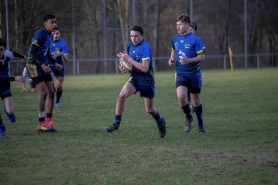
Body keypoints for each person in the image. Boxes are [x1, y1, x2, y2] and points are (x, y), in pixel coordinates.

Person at [105, 25, 166, 138]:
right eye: (132, 36)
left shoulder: (146, 47)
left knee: (149, 109)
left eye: (136, 36)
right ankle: (116, 122)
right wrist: (124, 67)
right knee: (122, 95)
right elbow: (130, 66)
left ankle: (160, 121)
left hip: (147, 81)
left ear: (142, 36)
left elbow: (144, 68)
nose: (133, 39)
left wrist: (129, 59)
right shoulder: (129, 46)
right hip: (135, 79)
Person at [168, 14, 206, 133]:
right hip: (181, 73)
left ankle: (200, 123)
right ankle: (188, 116)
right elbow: (173, 51)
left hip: (194, 74)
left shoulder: (196, 39)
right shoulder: (175, 39)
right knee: (181, 96)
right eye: (177, 25)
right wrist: (171, 59)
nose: (178, 27)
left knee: (195, 101)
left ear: (187, 25)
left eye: (180, 24)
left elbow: (202, 57)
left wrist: (189, 60)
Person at [26, 14, 62, 132]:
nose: (54, 24)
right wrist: (42, 65)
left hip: (44, 65)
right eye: (52, 22)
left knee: (52, 92)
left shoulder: (50, 35)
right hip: (33, 65)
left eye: (55, 22)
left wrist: (54, 63)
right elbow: (32, 53)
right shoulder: (39, 34)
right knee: (43, 93)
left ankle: (49, 122)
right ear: (45, 24)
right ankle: (40, 124)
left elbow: (46, 53)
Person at [0, 38, 26, 136]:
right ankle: (1, 127)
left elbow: (13, 54)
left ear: (4, 49)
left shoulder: (7, 54)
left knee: (11, 112)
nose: (0, 52)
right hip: (4, 82)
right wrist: (14, 78)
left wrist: (22, 56)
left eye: (1, 49)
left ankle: (7, 110)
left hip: (5, 86)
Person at [49, 27, 69, 108]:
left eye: (57, 33)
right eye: (54, 33)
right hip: (50, 66)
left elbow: (66, 60)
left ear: (59, 34)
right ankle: (51, 99)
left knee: (59, 86)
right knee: (50, 86)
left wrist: (61, 54)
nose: (55, 35)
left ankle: (57, 102)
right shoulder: (48, 43)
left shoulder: (63, 44)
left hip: (60, 67)